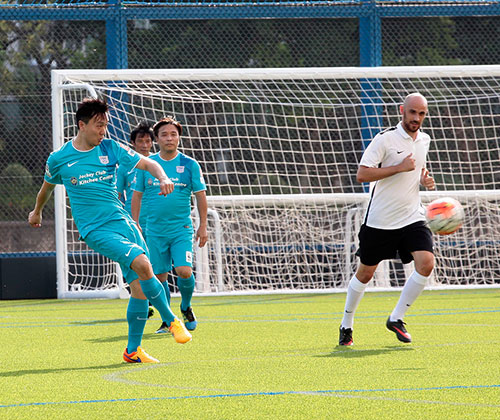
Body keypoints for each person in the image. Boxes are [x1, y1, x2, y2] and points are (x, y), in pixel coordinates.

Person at [28, 98, 192, 364]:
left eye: (105, 125)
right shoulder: (59, 159)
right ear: (82, 125)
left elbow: (149, 163)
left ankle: (133, 351)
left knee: (139, 287)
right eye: (98, 125)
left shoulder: (110, 148)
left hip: (124, 223)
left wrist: (162, 177)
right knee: (142, 264)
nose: (103, 131)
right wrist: (37, 211)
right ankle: (171, 320)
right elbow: (46, 188)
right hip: (95, 229)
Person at [338, 93, 436, 346]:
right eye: (412, 112)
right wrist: (399, 168)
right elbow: (362, 174)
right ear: (402, 110)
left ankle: (396, 318)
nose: (416, 118)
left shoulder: (424, 139)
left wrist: (423, 180)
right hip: (381, 220)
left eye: (421, 114)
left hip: (412, 216)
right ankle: (346, 324)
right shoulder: (384, 139)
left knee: (426, 264)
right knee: (365, 274)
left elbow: (415, 172)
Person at [131, 116, 208, 334]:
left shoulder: (189, 164)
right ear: (157, 138)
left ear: (179, 138)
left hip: (181, 229)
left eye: (173, 134)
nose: (169, 138)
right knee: (159, 277)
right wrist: (135, 223)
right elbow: (136, 196)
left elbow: (200, 196)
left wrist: (203, 226)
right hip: (154, 231)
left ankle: (185, 305)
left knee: (184, 271)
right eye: (164, 134)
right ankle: (168, 320)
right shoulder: (148, 165)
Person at [116, 122, 155, 318]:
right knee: (134, 261)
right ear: (132, 143)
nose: (144, 145)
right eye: (140, 141)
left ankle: (151, 299)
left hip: (155, 220)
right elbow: (118, 192)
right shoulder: (125, 166)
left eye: (148, 141)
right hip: (132, 221)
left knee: (153, 263)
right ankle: (142, 300)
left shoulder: (157, 164)